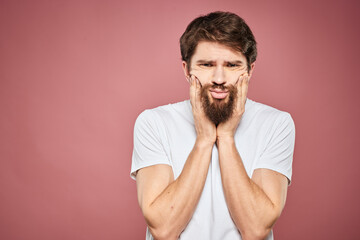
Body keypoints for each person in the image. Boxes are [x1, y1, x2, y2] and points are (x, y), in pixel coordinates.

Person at [130, 11, 295, 240]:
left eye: (232, 65)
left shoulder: (276, 124)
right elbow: (164, 229)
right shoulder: (154, 123)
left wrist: (226, 137)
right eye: (207, 64)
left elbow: (256, 228)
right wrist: (204, 139)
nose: (219, 78)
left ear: (249, 70)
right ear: (187, 70)